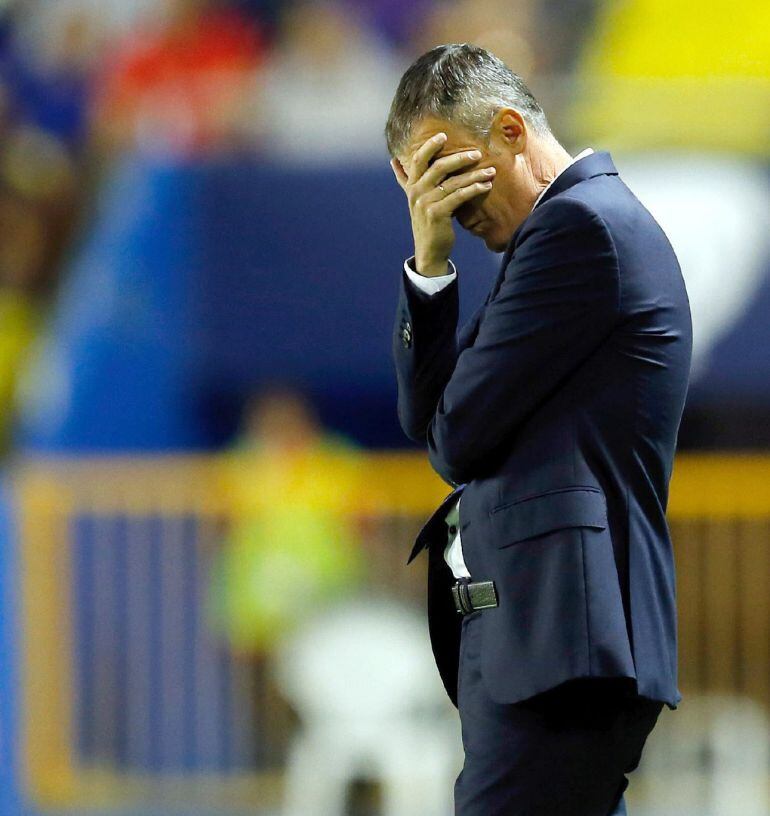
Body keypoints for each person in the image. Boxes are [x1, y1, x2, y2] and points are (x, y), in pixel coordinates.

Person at [385, 44, 692, 816]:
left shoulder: (580, 231)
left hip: (565, 645)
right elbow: (433, 425)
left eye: (448, 173)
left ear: (512, 130)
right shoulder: (561, 236)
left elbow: (455, 440)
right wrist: (428, 262)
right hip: (552, 639)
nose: (445, 203)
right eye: (422, 186)